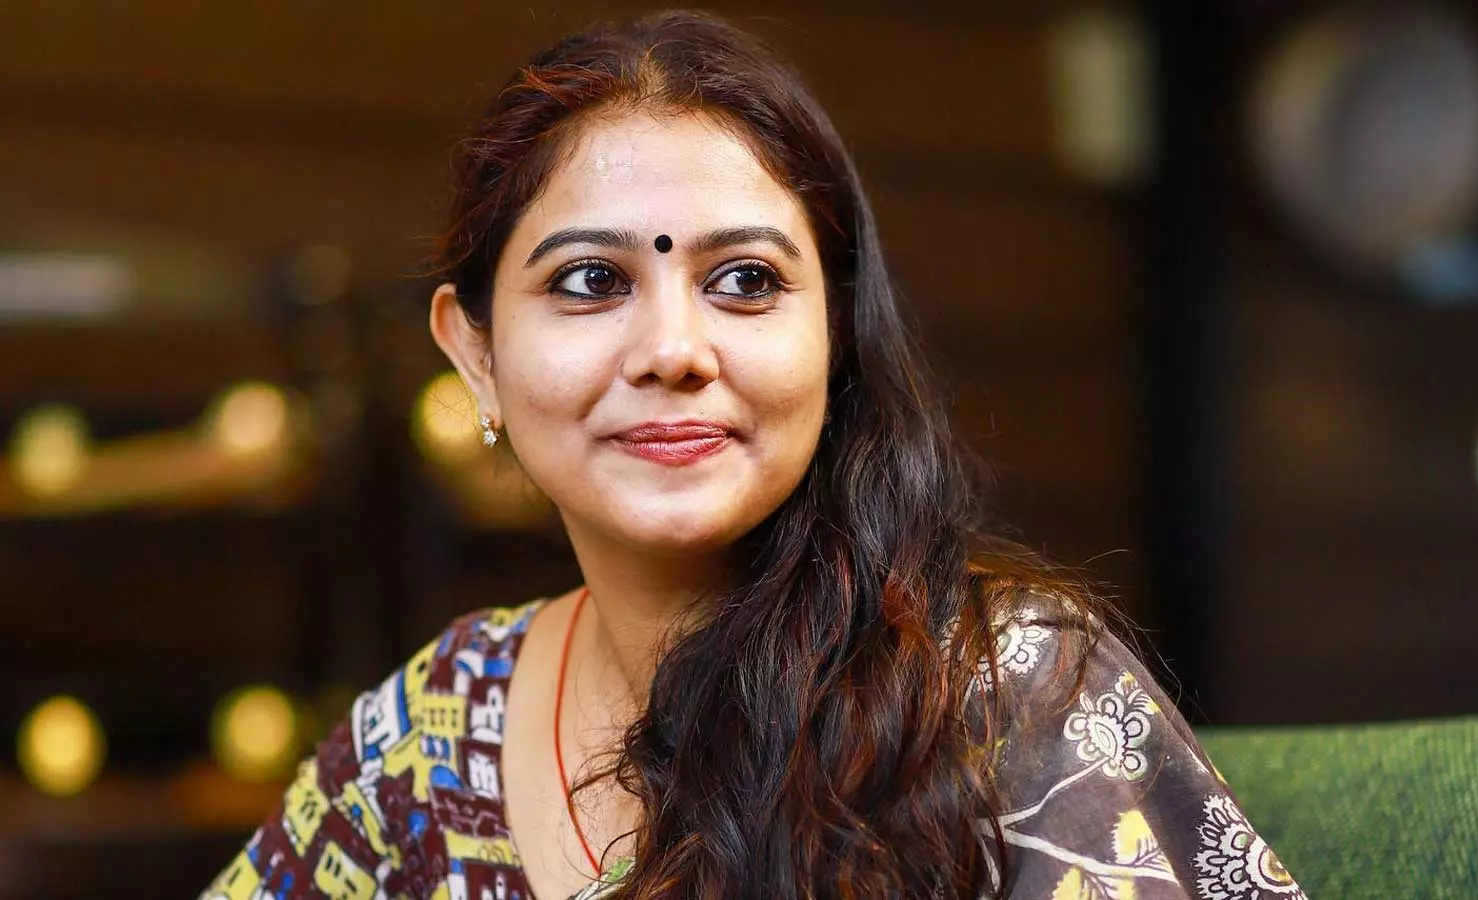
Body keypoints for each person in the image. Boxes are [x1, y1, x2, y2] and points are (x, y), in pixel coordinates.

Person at [201, 10, 1303, 900]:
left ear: (838, 337)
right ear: (476, 356)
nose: (674, 350)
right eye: (591, 281)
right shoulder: (437, 733)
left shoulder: (999, 688)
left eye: (746, 282)